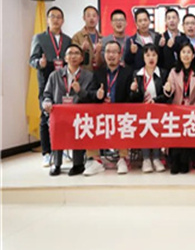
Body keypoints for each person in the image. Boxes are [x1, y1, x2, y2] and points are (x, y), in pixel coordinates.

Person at [42, 44, 98, 176]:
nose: (73, 56)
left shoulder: (88, 76)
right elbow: (46, 95)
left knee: (79, 125)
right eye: (70, 53)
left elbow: (91, 99)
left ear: (82, 58)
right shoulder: (55, 75)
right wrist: (47, 103)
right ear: (65, 58)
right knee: (56, 125)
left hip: (79, 116)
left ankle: (78, 164)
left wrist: (80, 91)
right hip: (59, 116)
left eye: (77, 53)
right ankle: (56, 164)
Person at [29, 6, 73, 167]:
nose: (56, 20)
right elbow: (32, 60)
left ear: (63, 20)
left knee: (64, 116)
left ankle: (63, 149)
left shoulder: (67, 40)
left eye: (59, 17)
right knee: (45, 115)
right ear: (48, 20)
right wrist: (39, 63)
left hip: (63, 81)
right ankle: (46, 153)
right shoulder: (39, 38)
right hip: (46, 80)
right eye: (52, 17)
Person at [84, 40, 134, 176]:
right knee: (89, 123)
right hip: (102, 114)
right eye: (108, 52)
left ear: (120, 55)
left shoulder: (128, 73)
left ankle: (123, 158)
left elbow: (131, 98)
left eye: (114, 52)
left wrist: (133, 91)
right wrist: (97, 95)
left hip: (120, 113)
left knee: (125, 122)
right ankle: (96, 160)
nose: (111, 55)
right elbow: (90, 93)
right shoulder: (98, 73)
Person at [164, 41, 195, 174]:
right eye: (183, 52)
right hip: (177, 109)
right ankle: (175, 160)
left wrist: (194, 109)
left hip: (192, 110)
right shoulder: (173, 72)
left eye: (189, 52)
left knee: (188, 134)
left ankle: (185, 161)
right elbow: (170, 89)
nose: (186, 55)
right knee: (176, 134)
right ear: (179, 55)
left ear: (193, 55)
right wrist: (168, 89)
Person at [129, 44, 171, 173]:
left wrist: (156, 100)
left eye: (154, 55)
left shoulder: (163, 73)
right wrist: (134, 91)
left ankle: (157, 158)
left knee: (156, 129)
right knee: (144, 129)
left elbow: (167, 96)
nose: (151, 58)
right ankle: (146, 159)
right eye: (147, 55)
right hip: (142, 111)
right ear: (143, 57)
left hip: (159, 110)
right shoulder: (137, 74)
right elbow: (133, 99)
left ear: (158, 57)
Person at [71, 5, 103, 72]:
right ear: (84, 18)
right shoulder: (77, 37)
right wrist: (81, 49)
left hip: (99, 73)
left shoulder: (102, 38)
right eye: (88, 16)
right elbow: (72, 57)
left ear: (98, 18)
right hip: (83, 73)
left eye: (94, 16)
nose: (91, 18)